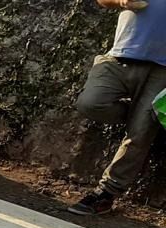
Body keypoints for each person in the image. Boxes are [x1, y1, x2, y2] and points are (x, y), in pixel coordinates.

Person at [68, 0, 166, 215]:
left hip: (163, 71)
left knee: (139, 135)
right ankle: (138, 115)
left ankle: (106, 193)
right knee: (91, 103)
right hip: (120, 55)